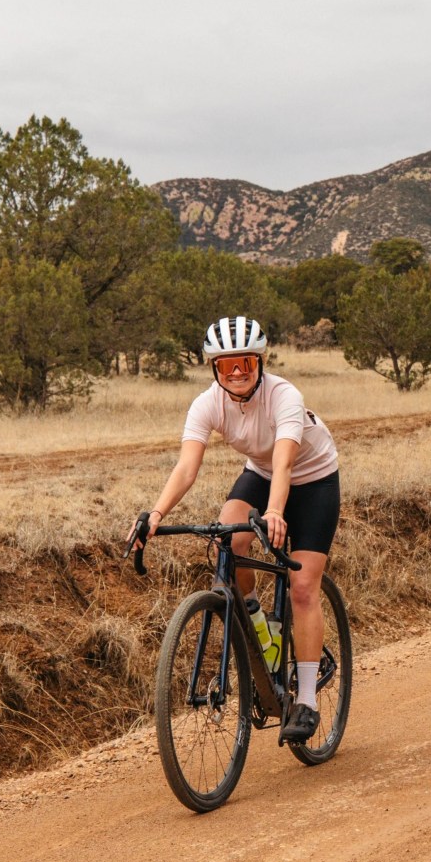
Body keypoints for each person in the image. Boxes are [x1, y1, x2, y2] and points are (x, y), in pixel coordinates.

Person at [129, 315, 340, 744]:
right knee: (229, 536)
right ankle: (259, 622)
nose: (238, 372)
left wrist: (277, 512)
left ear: (260, 361)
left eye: (245, 361)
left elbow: (285, 462)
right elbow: (187, 466)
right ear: (214, 370)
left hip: (314, 479)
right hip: (259, 474)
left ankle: (306, 701)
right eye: (227, 366)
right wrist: (156, 513)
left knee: (302, 587)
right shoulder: (207, 403)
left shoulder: (285, 396)